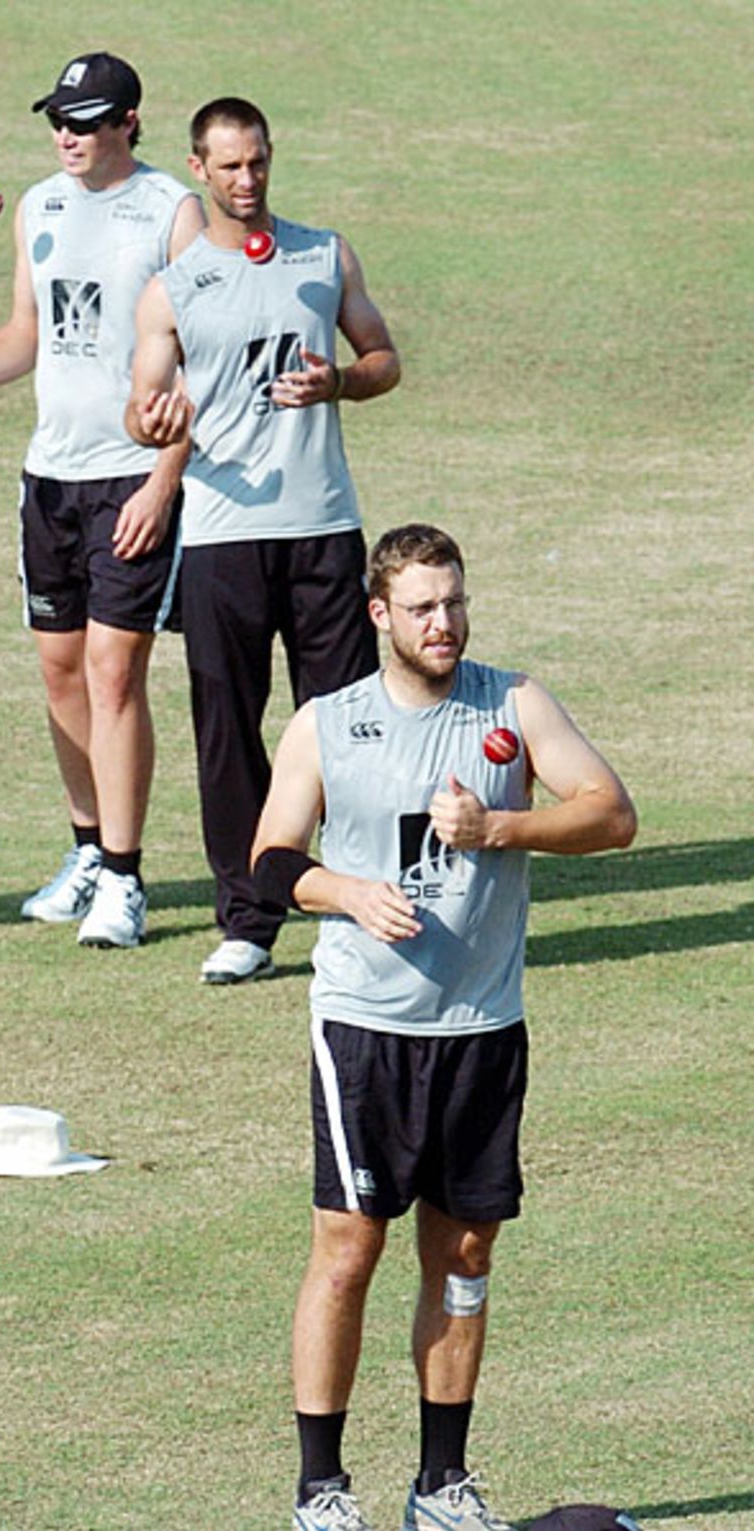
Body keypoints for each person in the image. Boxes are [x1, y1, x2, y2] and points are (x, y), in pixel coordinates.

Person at [250, 524, 637, 1531]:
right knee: (348, 1248)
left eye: (454, 601)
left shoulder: (510, 703)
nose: (443, 622)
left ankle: (441, 1487)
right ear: (379, 615)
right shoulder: (326, 724)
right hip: (364, 1029)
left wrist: (498, 827)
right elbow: (267, 862)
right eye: (421, 606)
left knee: (463, 1256)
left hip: (480, 1028)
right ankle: (320, 1492)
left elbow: (608, 814)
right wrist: (345, 892)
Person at [0, 53, 203, 949]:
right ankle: (86, 850)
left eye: (84, 120)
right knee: (60, 672)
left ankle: (125, 876)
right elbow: (29, 331)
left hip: (132, 478)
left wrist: (165, 479)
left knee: (116, 676)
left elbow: (203, 356)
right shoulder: (39, 206)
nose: (66, 135)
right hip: (52, 480)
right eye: (59, 119)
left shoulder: (172, 212)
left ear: (128, 121)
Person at [126, 97, 400, 985]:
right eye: (229, 167)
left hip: (322, 528)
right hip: (221, 536)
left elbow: (384, 358)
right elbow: (143, 407)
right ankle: (248, 918)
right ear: (198, 169)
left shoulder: (325, 253)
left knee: (351, 726)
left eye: (259, 164)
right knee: (228, 731)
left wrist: (343, 384)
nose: (247, 182)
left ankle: (359, 906)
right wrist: (153, 420)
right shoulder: (172, 290)